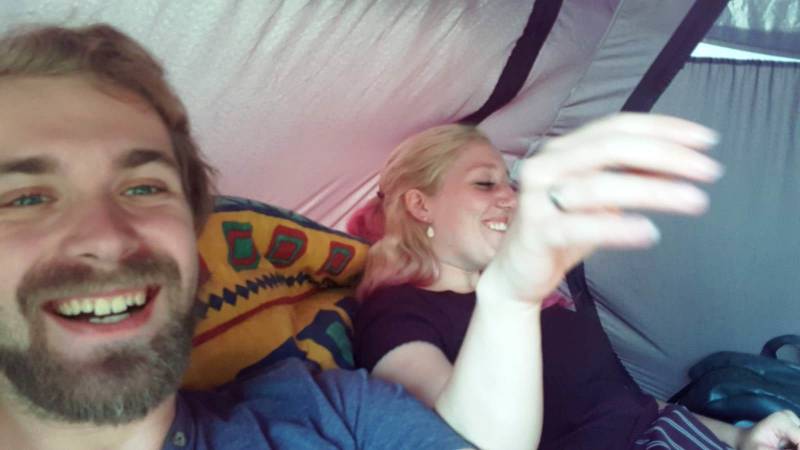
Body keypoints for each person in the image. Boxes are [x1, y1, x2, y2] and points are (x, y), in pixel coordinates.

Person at [0, 24, 473, 450]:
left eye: (144, 188)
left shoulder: (339, 416)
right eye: (26, 198)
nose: (106, 239)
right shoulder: (400, 316)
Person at [349, 122, 800, 450]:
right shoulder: (398, 313)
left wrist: (739, 437)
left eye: (510, 183)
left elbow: (627, 404)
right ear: (420, 205)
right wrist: (511, 296)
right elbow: (465, 441)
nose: (510, 198)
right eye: (485, 183)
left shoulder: (542, 300)